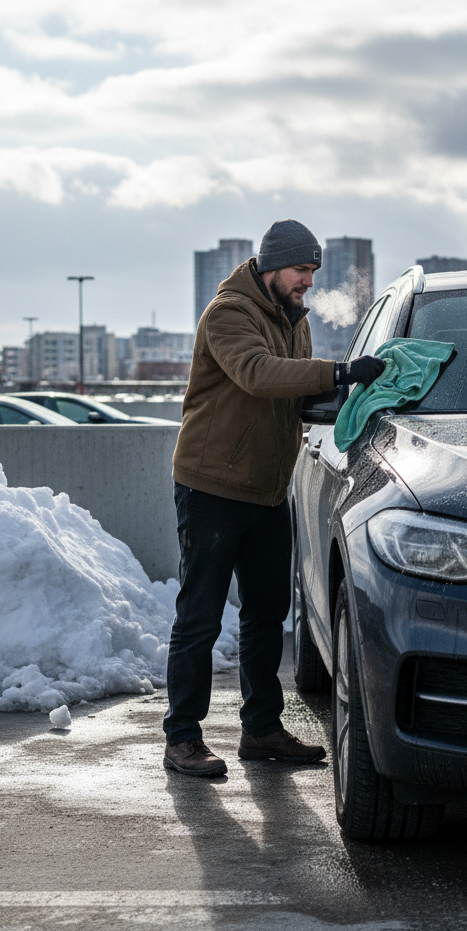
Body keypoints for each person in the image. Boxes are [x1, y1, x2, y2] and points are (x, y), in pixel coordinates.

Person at [163, 219, 385, 776]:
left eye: (313, 271)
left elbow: (290, 396)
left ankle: (261, 729)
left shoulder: (293, 320)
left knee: (268, 614)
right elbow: (258, 374)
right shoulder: (228, 314)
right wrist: (337, 371)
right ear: (270, 266)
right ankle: (182, 738)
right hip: (212, 486)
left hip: (265, 489)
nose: (308, 281)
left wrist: (351, 400)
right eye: (300, 270)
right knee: (200, 617)